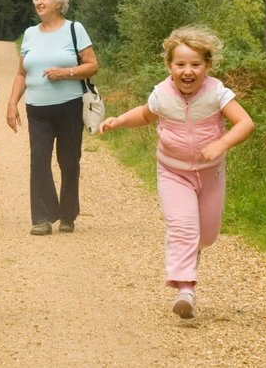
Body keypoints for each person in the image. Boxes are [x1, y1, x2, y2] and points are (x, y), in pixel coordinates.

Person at [98, 25, 254, 319]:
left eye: (196, 64)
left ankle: (191, 254)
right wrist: (118, 121)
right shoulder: (162, 94)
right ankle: (186, 290)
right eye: (180, 64)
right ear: (169, 66)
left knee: (206, 236)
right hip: (173, 172)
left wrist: (221, 144)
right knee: (183, 226)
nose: (188, 71)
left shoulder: (217, 93)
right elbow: (145, 114)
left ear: (207, 66)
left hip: (211, 173)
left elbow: (245, 123)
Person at [5, 0, 98, 236]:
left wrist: (66, 72)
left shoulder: (74, 29)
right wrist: (12, 103)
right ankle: (42, 218)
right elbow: (21, 73)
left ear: (59, 2)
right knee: (39, 160)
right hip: (37, 110)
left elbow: (92, 65)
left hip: (69, 107)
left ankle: (68, 215)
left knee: (69, 161)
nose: (38, 1)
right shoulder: (30, 34)